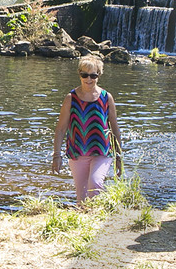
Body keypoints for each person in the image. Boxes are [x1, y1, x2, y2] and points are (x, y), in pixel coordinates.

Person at [51, 54, 123, 203]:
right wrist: (56, 156)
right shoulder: (70, 98)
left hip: (102, 151)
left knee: (95, 184)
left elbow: (115, 128)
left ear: (99, 75)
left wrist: (119, 157)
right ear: (79, 74)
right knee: (81, 197)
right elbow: (60, 129)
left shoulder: (106, 97)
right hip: (78, 153)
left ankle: (96, 217)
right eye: (85, 75)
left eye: (93, 75)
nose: (88, 79)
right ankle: (84, 222)